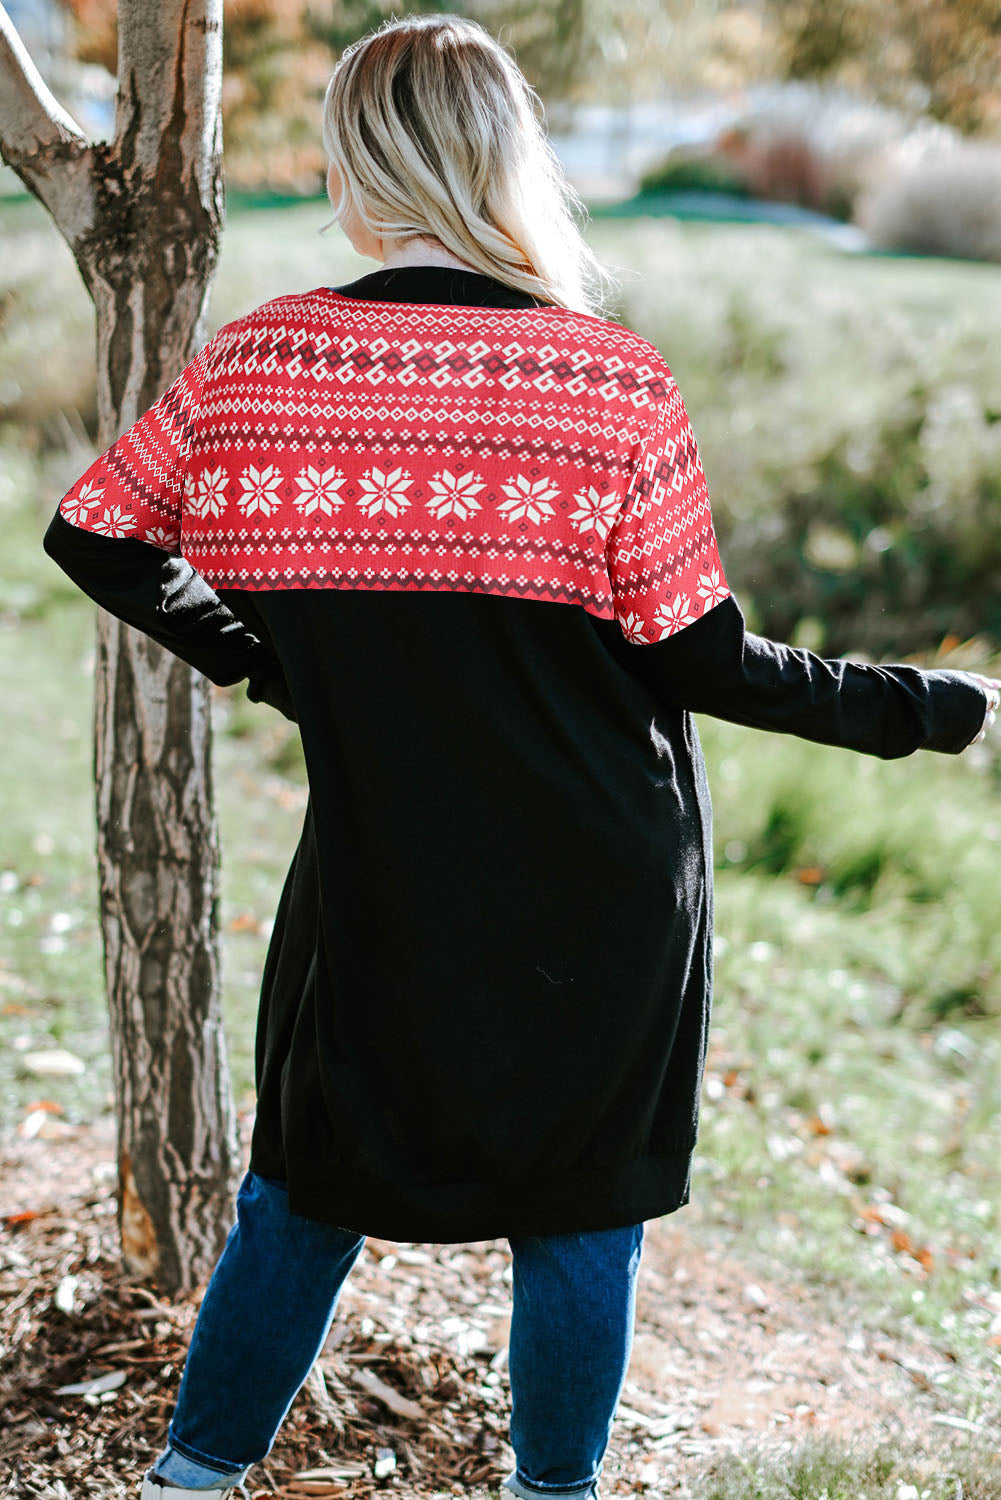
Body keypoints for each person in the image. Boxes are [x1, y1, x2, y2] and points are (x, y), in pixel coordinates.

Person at [41, 14, 1000, 1500]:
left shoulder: (262, 360)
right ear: (507, 155)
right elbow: (698, 661)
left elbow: (92, 533)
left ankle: (188, 1479)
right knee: (579, 1217)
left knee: (299, 1196)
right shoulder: (608, 382)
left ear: (360, 158)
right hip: (602, 887)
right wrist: (925, 707)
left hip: (376, 873)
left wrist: (267, 659)